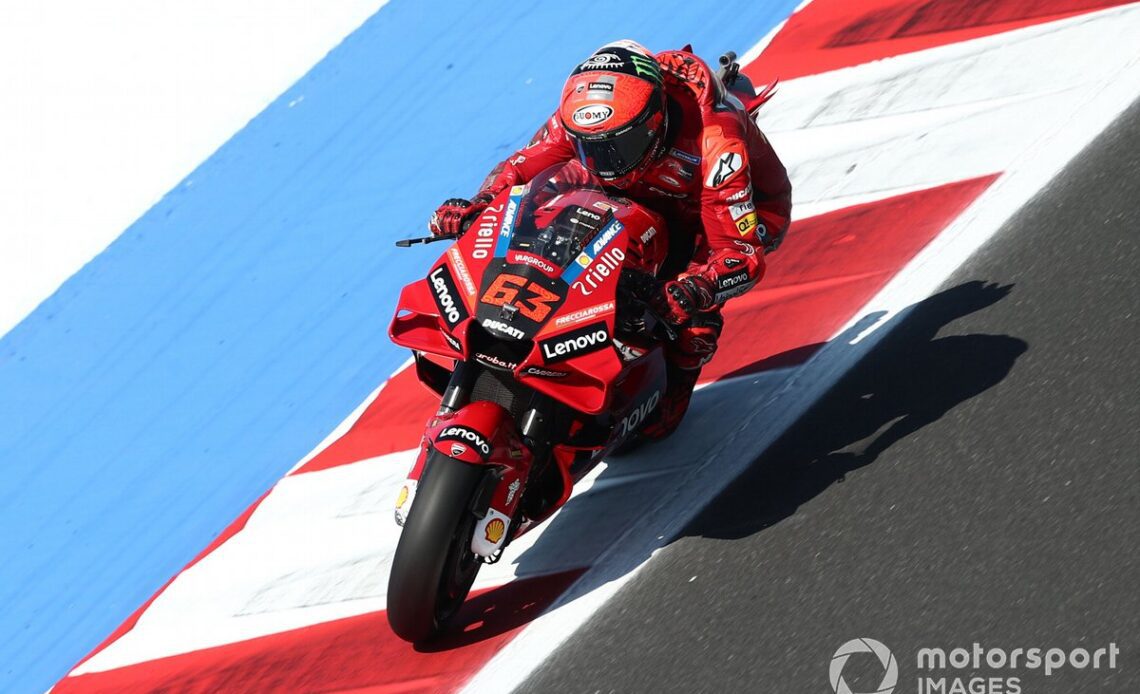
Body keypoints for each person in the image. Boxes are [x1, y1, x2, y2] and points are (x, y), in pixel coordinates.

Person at [429, 40, 792, 439]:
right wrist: (477, 206)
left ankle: (671, 395)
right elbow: (521, 166)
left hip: (717, 211)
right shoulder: (588, 119)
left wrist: (696, 289)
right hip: (638, 193)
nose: (605, 161)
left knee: (691, 319)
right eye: (592, 147)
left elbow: (740, 254)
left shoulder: (716, 139)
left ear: (655, 121)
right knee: (546, 208)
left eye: (619, 146)